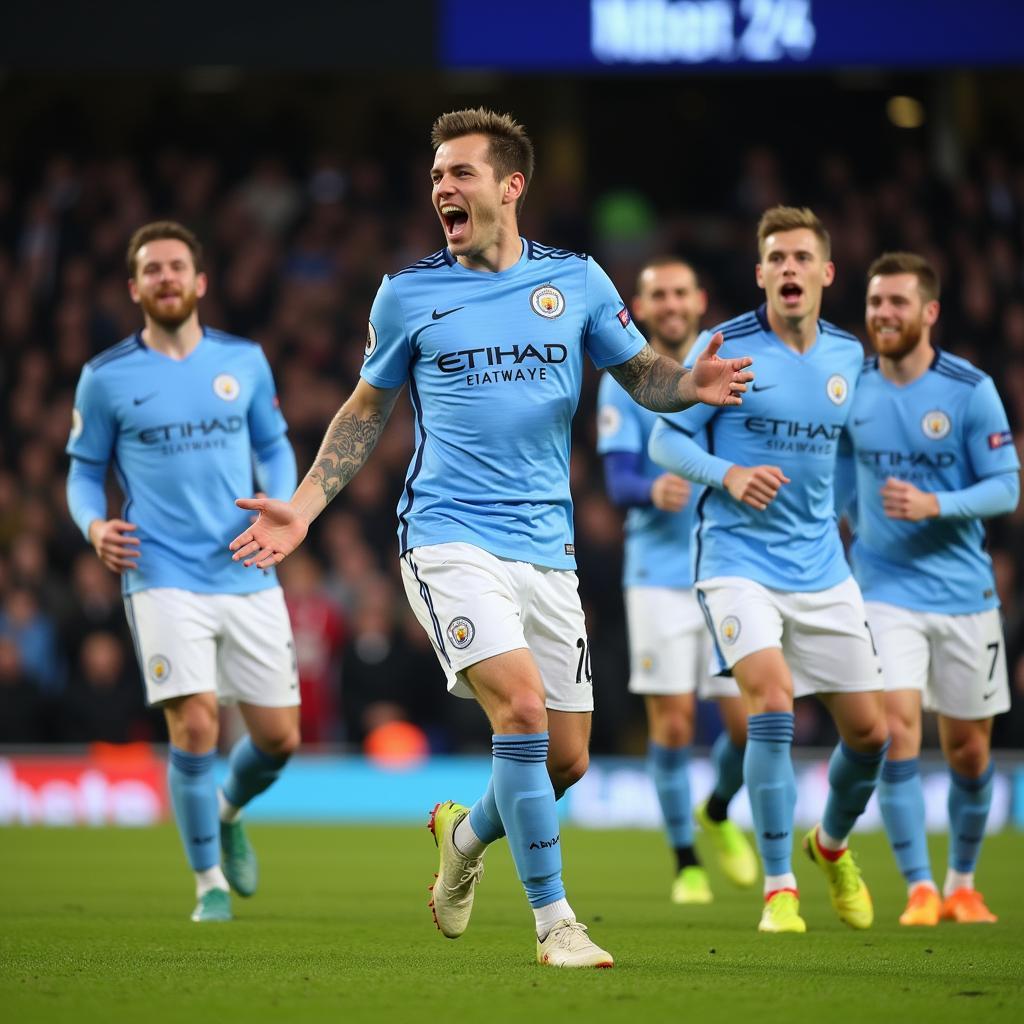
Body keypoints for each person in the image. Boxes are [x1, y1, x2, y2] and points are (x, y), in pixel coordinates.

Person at [229, 107, 753, 968]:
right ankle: (557, 925)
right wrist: (306, 504)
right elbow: (366, 409)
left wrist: (689, 384)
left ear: (511, 187)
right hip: (446, 534)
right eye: (437, 175)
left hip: (546, 546)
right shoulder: (407, 294)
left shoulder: (577, 282)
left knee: (569, 759)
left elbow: (642, 377)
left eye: (461, 173)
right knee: (521, 710)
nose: (443, 187)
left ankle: (465, 840)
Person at [648, 206, 890, 934]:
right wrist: (727, 474)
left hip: (822, 566)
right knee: (773, 707)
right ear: (760, 273)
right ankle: (779, 888)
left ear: (825, 272)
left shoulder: (850, 358)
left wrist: (861, 515)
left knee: (871, 736)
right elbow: (666, 442)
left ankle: (832, 845)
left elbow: (847, 452)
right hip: (735, 561)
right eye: (776, 258)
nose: (789, 269)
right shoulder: (726, 345)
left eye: (801, 258)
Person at [66, 221, 301, 923]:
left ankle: (226, 809)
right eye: (152, 270)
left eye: (177, 267)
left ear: (200, 282)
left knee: (279, 739)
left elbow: (275, 445)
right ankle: (209, 887)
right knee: (195, 725)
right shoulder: (106, 377)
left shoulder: (246, 362)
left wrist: (281, 508)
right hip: (160, 569)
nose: (166, 278)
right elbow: (83, 473)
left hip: (246, 564)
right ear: (134, 287)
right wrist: (95, 525)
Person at [839, 252, 1019, 926]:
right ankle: (918, 886)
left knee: (969, 749)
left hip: (966, 596)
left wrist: (935, 505)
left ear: (929, 312)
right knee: (895, 730)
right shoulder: (851, 387)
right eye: (876, 302)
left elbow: (1008, 486)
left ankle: (962, 884)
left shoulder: (969, 390)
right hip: (883, 589)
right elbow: (833, 474)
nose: (884, 314)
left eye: (897, 303)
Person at [596, 257, 756, 903]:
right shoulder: (624, 379)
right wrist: (648, 487)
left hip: (728, 566)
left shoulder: (730, 366)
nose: (668, 304)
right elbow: (616, 480)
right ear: (639, 305)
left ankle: (717, 809)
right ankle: (686, 861)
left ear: (700, 299)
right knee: (673, 726)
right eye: (656, 294)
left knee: (752, 725)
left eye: (679, 293)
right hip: (658, 576)